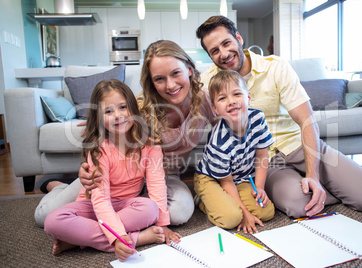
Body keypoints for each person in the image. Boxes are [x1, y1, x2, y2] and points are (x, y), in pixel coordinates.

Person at [196, 16, 362, 218]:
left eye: (226, 43)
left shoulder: (275, 67)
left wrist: (313, 176)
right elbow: (188, 108)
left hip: (298, 145)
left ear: (238, 38)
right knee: (299, 206)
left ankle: (325, 184)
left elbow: (307, 121)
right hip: (266, 162)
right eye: (215, 51)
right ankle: (328, 189)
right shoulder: (208, 81)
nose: (224, 54)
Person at [35, 40, 215, 234]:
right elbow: (108, 129)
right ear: (151, 82)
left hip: (164, 175)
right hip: (115, 177)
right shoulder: (138, 108)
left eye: (175, 73)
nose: (170, 85)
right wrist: (94, 128)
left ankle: (99, 226)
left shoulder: (205, 99)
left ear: (189, 68)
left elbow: (229, 126)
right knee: (45, 218)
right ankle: (60, 187)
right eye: (159, 79)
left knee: (178, 213)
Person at [44, 79, 174, 260]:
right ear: (98, 117)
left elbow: (157, 185)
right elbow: (101, 202)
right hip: (94, 203)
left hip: (129, 204)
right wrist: (118, 239)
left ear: (133, 108)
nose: (118, 115)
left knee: (151, 208)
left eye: (123, 107)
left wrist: (163, 224)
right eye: (108, 111)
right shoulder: (99, 149)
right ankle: (136, 238)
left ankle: (78, 240)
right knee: (50, 220)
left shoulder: (149, 144)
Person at [194, 70, 275, 234]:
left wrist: (259, 188)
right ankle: (203, 199)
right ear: (215, 108)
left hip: (239, 176)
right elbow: (226, 182)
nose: (231, 101)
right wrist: (245, 214)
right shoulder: (219, 140)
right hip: (212, 179)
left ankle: (228, 202)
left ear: (249, 97)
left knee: (265, 212)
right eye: (222, 98)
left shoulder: (258, 119)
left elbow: (261, 156)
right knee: (232, 218)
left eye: (237, 94)